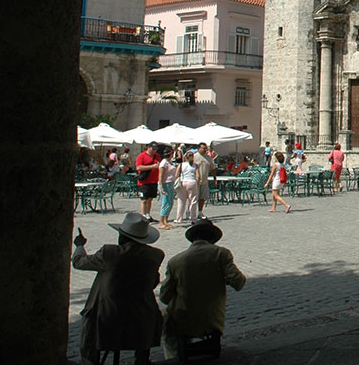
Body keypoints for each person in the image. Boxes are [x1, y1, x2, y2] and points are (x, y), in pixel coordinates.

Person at [72, 212, 164, 365]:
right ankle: (142, 360)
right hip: (142, 316)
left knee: (89, 325)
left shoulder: (110, 253)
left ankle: (90, 360)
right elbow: (153, 282)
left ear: (122, 236)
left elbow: (78, 262)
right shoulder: (154, 255)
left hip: (110, 316)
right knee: (147, 315)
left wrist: (80, 246)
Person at [159, 219, 246, 360]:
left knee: (167, 322)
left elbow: (164, 297)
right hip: (212, 318)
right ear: (212, 238)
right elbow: (239, 282)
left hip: (183, 318)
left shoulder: (176, 261)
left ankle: (173, 357)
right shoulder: (221, 254)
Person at [136, 142, 161, 223]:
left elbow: (160, 164)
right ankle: (143, 216)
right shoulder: (142, 156)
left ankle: (148, 214)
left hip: (153, 181)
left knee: (150, 199)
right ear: (148, 147)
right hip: (144, 182)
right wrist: (152, 166)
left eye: (156, 149)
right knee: (144, 199)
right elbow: (138, 167)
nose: (154, 151)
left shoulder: (157, 156)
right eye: (153, 149)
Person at [174, 151, 199, 224]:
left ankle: (179, 218)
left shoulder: (181, 165)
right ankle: (193, 218)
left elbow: (176, 174)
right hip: (192, 182)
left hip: (183, 182)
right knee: (193, 201)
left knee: (181, 201)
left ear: (185, 157)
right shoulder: (195, 165)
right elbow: (198, 176)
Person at [157, 146, 177, 230]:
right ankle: (161, 222)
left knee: (170, 203)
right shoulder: (164, 163)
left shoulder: (170, 162)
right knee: (165, 203)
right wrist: (161, 186)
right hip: (165, 184)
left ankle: (165, 220)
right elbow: (160, 175)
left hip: (170, 183)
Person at [194, 142, 215, 220]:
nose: (205, 150)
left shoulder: (208, 158)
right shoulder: (194, 157)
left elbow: (212, 168)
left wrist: (214, 178)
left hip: (204, 181)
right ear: (199, 148)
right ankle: (191, 212)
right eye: (204, 148)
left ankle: (200, 212)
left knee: (202, 197)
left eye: (206, 148)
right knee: (194, 197)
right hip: (195, 181)